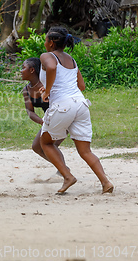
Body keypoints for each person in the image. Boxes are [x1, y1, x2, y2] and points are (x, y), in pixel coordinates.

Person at [39, 26, 113, 194]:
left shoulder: (47, 56)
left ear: (51, 43)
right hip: (81, 104)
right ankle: (105, 182)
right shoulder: (71, 60)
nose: (44, 43)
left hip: (63, 106)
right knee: (85, 151)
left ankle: (67, 176)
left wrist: (48, 90)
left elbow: (51, 68)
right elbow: (81, 85)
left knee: (46, 143)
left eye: (45, 40)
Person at [21, 58, 66, 171]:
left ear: (32, 70)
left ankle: (64, 172)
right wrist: (41, 121)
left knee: (50, 145)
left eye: (23, 68)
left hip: (63, 114)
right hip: (50, 119)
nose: (21, 71)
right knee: (37, 147)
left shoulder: (47, 83)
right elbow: (30, 111)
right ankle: (64, 170)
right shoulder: (26, 90)